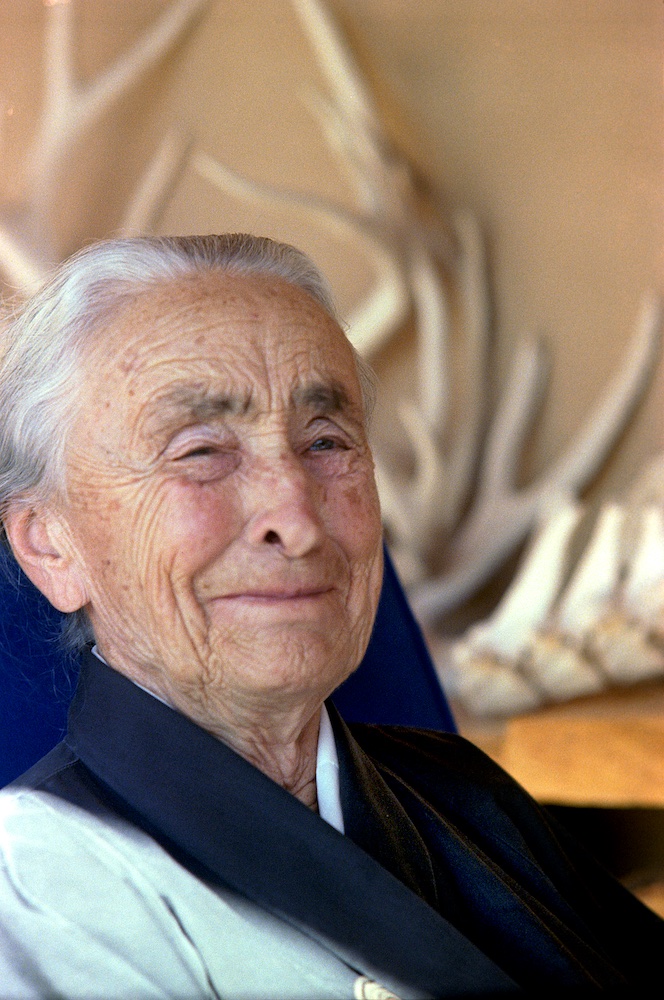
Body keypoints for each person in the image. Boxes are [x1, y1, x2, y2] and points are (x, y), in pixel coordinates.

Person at [0, 234, 660, 999]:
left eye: (325, 441)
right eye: (200, 451)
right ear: (50, 546)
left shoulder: (460, 792)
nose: (298, 517)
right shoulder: (38, 888)